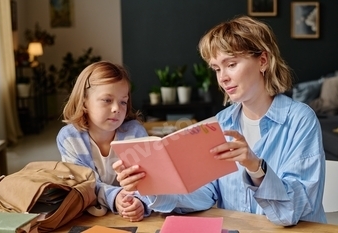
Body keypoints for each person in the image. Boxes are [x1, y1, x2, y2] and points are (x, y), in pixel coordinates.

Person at [113, 15, 327, 226]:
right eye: (216, 68)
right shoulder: (221, 123)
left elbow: (292, 211)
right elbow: (205, 195)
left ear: (263, 60)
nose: (222, 77)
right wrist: (152, 184)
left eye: (231, 64)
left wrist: (256, 168)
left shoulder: (300, 120)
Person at [56, 61, 151, 222]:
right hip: (88, 216)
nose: (116, 108)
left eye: (123, 101)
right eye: (107, 100)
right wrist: (115, 196)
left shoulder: (135, 132)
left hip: (128, 214)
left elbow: (148, 180)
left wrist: (140, 202)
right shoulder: (69, 138)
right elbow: (84, 185)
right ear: (84, 101)